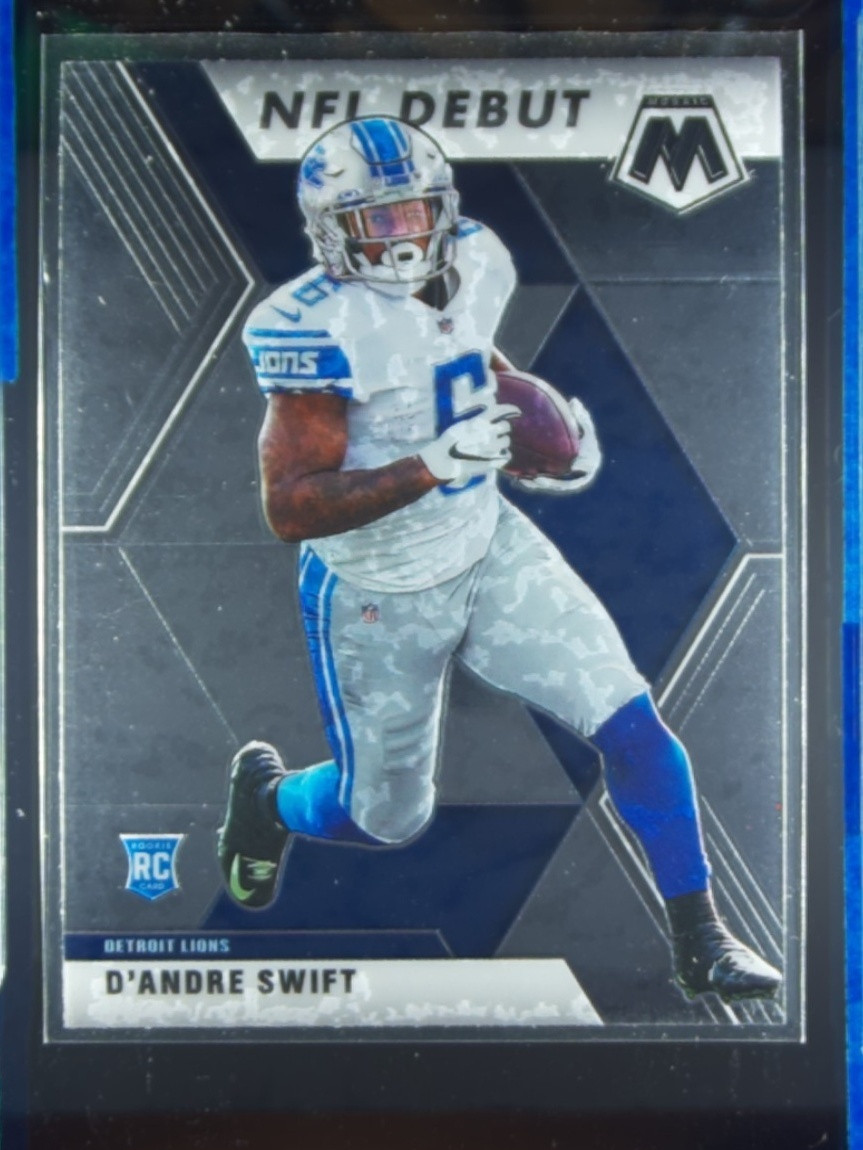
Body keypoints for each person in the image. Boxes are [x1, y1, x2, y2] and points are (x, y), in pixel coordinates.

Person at [217, 115, 780, 1003]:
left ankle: (699, 936)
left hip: (487, 546)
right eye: (379, 221)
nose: (406, 238)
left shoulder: (477, 257)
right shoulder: (311, 327)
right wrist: (433, 462)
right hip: (374, 587)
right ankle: (267, 797)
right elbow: (289, 507)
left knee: (634, 728)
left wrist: (539, 440)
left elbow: (462, 351)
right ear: (331, 229)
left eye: (417, 213)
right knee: (382, 818)